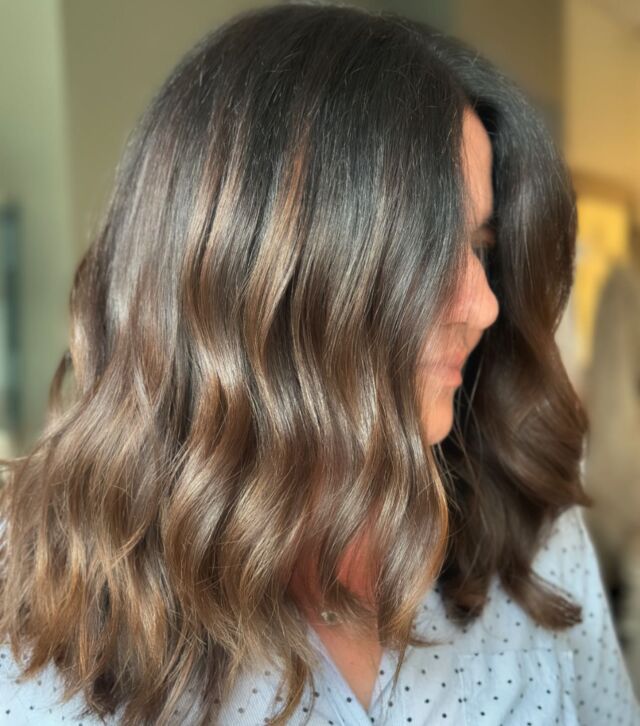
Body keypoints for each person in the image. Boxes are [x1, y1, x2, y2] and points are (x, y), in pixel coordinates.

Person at [0, 3, 638, 724]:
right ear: (251, 272)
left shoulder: (528, 533)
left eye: (478, 247)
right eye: (425, 250)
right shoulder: (42, 603)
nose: (484, 305)